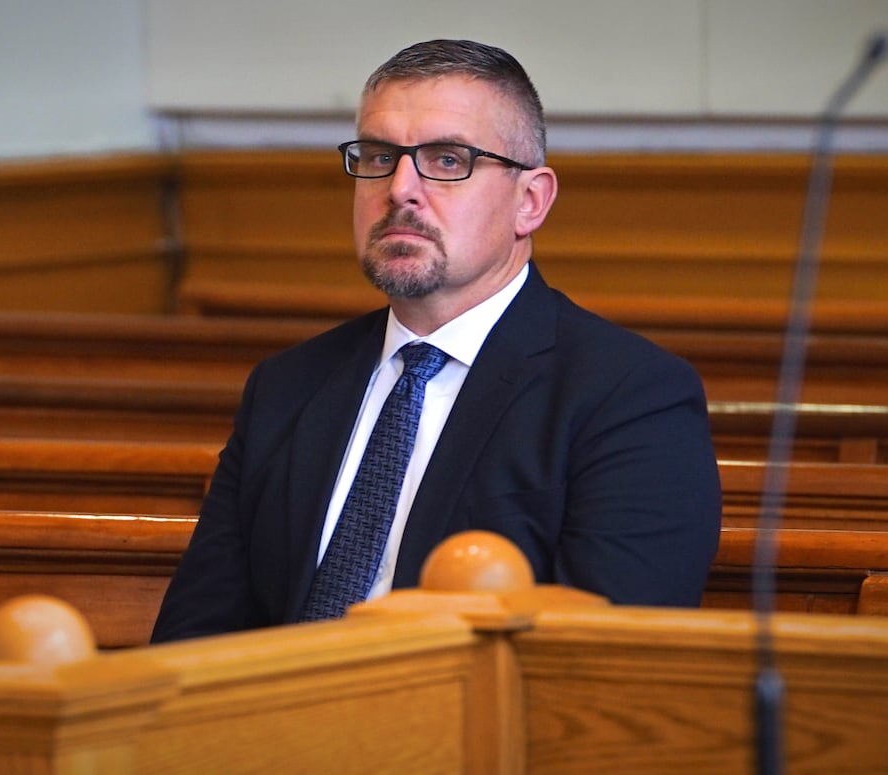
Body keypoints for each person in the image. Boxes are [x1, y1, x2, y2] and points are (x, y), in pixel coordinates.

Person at [150, 39, 721, 642]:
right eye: (377, 157)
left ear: (530, 200)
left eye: (448, 160)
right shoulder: (287, 385)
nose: (399, 189)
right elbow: (194, 638)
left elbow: (605, 658)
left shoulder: (629, 396)